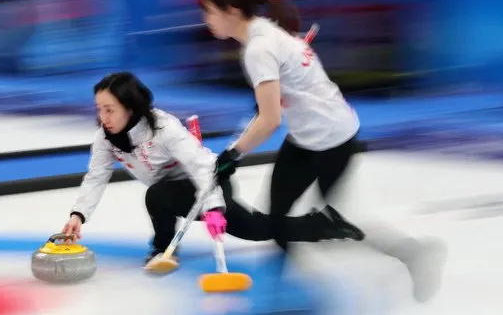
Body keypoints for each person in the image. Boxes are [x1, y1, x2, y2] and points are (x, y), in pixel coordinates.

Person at [198, 0, 446, 302]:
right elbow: (279, 102)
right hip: (311, 136)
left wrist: (232, 155)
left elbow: (269, 120)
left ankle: (413, 254)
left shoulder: (259, 48)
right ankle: (279, 292)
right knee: (279, 214)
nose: (206, 19)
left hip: (330, 140)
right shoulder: (266, 34)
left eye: (210, 11)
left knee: (329, 220)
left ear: (232, 10)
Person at [61, 72, 354, 266]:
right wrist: (78, 215)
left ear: (130, 107)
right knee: (161, 195)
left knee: (250, 228)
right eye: (99, 109)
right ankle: (164, 249)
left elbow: (201, 167)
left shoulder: (163, 128)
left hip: (210, 182)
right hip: (175, 192)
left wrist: (213, 207)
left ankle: (319, 226)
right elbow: (96, 175)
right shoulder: (106, 137)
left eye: (109, 109)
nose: (103, 117)